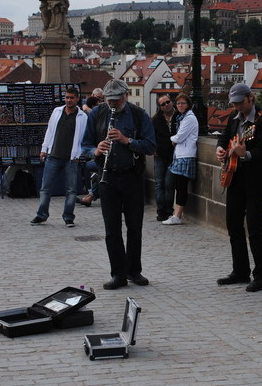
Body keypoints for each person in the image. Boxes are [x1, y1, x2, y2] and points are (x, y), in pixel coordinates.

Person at [81, 79, 156, 290]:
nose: (112, 104)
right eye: (109, 100)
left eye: (116, 100)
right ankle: (118, 274)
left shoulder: (138, 115)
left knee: (134, 227)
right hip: (107, 178)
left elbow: (151, 146)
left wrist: (127, 141)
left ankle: (134, 270)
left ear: (125, 96)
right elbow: (84, 145)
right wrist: (96, 150)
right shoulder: (97, 114)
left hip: (132, 176)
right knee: (111, 229)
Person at [215, 83, 262, 293]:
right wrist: (221, 150)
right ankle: (240, 270)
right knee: (233, 224)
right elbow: (224, 138)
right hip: (236, 178)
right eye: (234, 103)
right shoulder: (234, 119)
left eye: (240, 102)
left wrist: (246, 154)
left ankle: (261, 275)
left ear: (250, 98)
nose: (237, 107)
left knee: (254, 227)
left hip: (257, 181)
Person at [30, 87, 87, 227]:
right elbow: (50, 131)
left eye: (71, 97)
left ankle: (68, 216)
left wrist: (78, 154)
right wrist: (44, 149)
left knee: (71, 190)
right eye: (67, 97)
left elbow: (84, 138)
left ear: (77, 99)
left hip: (71, 158)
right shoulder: (57, 111)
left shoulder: (83, 117)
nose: (68, 100)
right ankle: (41, 214)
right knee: (45, 187)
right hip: (53, 156)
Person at [163, 93, 198, 225]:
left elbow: (179, 137)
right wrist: (175, 139)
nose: (180, 105)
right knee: (178, 185)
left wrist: (172, 139)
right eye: (178, 103)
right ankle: (176, 214)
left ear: (188, 104)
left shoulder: (189, 118)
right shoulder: (183, 117)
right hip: (181, 155)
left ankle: (177, 216)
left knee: (181, 186)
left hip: (186, 156)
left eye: (183, 103)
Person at [151, 93, 176, 221]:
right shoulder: (155, 120)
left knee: (169, 183)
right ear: (160, 107)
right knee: (159, 183)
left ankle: (169, 210)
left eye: (168, 102)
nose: (167, 105)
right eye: (163, 104)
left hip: (174, 156)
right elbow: (150, 135)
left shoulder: (179, 117)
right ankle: (161, 211)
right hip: (160, 155)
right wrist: (154, 149)